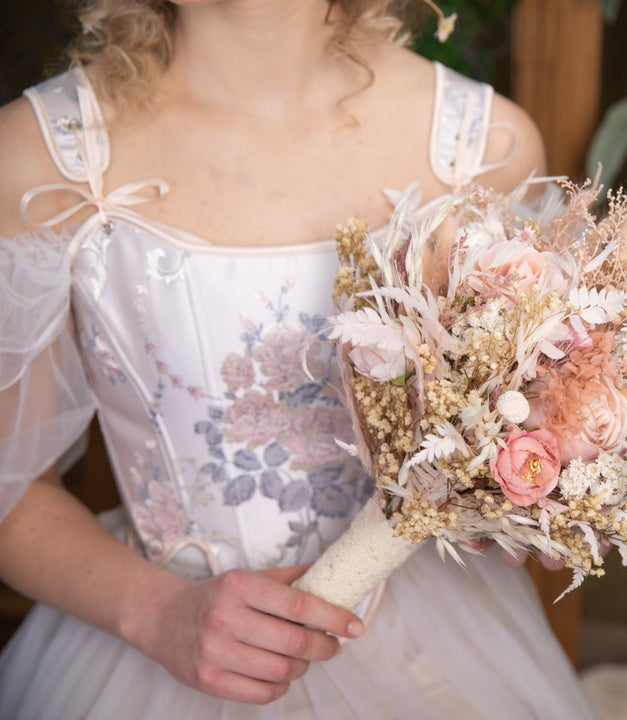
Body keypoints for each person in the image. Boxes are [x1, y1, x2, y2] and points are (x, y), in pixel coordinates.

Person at [0, 0, 594, 717]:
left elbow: (526, 427)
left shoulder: (483, 147)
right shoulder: (41, 156)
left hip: (431, 645)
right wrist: (156, 614)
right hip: (150, 639)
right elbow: (10, 490)